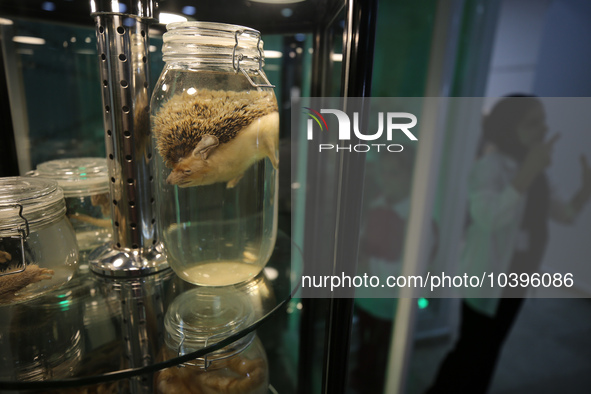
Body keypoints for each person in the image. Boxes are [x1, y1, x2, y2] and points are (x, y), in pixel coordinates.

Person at [426, 96, 591, 393]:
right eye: (533, 122)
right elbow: (487, 217)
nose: (543, 129)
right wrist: (529, 170)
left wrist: (585, 190)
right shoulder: (489, 167)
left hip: (518, 278)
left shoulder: (536, 170)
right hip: (485, 276)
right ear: (507, 128)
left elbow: (564, 213)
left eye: (543, 120)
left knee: (491, 347)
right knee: (471, 348)